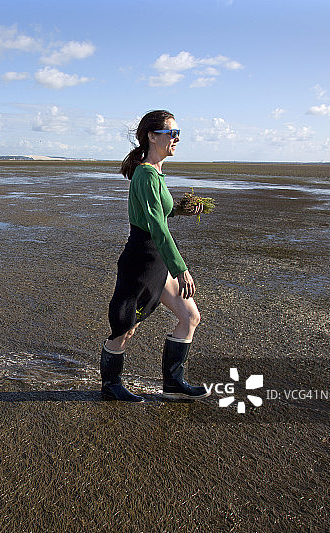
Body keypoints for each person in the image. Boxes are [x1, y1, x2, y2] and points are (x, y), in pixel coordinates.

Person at [100, 110, 210, 402]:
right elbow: (156, 226)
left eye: (178, 133)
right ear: (152, 136)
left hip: (157, 259)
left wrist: (182, 209)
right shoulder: (146, 174)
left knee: (190, 316)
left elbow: (161, 212)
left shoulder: (156, 173)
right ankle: (111, 385)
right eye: (171, 133)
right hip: (142, 261)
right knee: (124, 329)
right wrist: (181, 268)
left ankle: (174, 384)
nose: (176, 138)